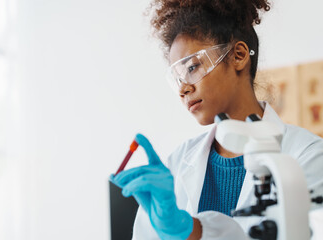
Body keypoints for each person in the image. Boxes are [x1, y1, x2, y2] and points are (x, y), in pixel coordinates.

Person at [110, 0, 323, 239]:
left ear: (239, 56)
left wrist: (190, 230)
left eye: (192, 68)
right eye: (177, 79)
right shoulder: (178, 164)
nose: (183, 89)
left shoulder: (308, 156)